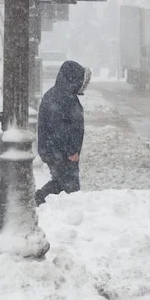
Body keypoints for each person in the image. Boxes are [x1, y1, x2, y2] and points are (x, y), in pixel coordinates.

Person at [35, 60, 91, 206]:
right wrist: (71, 150)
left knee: (62, 184)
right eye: (80, 80)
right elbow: (61, 129)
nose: (82, 83)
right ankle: (37, 200)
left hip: (55, 151)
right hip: (59, 152)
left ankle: (40, 201)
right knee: (69, 187)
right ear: (73, 78)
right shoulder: (63, 98)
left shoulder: (60, 95)